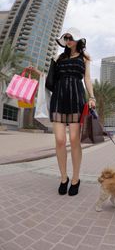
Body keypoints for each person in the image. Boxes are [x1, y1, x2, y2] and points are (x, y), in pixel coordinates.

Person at [30, 28, 96, 196]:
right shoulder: (59, 57)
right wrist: (37, 73)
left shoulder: (85, 58)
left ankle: (75, 178)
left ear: (77, 39)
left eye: (70, 38)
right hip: (59, 98)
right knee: (60, 140)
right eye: (65, 38)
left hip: (76, 98)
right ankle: (63, 178)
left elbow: (87, 79)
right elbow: (51, 78)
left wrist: (92, 96)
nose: (67, 41)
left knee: (74, 139)